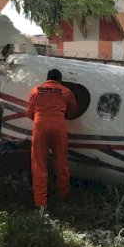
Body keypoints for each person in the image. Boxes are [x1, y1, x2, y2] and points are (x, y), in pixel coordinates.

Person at [27, 69, 78, 209]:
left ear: (47, 78)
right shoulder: (65, 91)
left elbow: (30, 113)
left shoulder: (36, 90)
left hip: (40, 127)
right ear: (59, 80)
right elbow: (73, 111)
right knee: (62, 163)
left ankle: (41, 204)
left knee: (39, 165)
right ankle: (63, 197)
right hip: (58, 127)